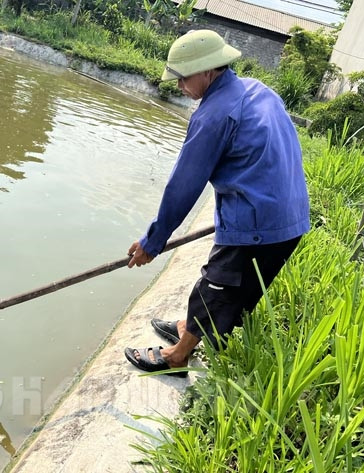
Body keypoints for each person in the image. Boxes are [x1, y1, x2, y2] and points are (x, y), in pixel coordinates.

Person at [124, 30, 310, 378]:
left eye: (183, 79)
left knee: (217, 284)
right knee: (239, 288)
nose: (179, 87)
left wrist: (154, 240)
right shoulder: (258, 90)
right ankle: (191, 329)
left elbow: (183, 186)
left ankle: (177, 357)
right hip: (291, 215)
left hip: (258, 219)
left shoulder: (214, 115)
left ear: (208, 70)